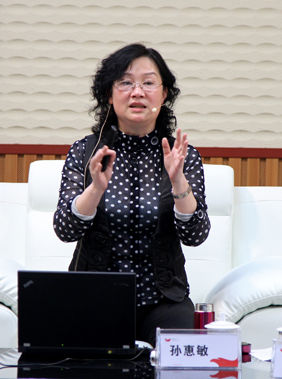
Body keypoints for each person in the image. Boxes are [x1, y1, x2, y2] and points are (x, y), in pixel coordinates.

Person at [53, 43, 211, 345]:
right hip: (95, 297)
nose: (137, 92)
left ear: (164, 95)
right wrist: (95, 190)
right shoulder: (86, 152)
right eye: (125, 83)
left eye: (148, 83)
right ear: (109, 95)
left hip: (164, 301)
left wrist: (178, 182)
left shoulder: (182, 156)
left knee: (183, 356)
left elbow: (196, 235)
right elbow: (65, 230)